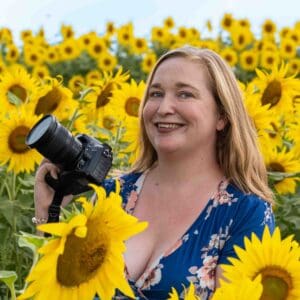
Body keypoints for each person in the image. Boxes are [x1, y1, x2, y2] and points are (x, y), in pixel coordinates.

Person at [34, 46, 275, 300]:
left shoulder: (246, 213)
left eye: (184, 94)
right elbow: (59, 291)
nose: (163, 108)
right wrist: (48, 214)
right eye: (156, 93)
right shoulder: (114, 195)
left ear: (222, 117)